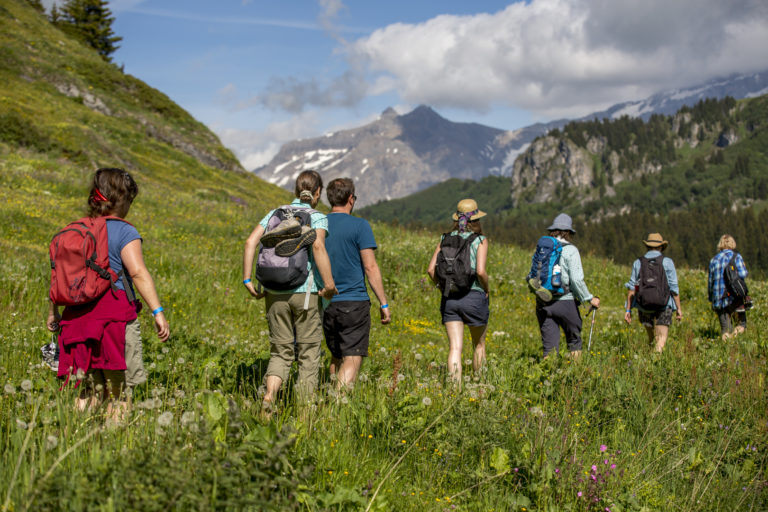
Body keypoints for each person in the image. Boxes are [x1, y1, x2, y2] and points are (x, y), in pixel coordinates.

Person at [47, 168, 170, 421]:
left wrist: (53, 313)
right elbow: (137, 273)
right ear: (123, 200)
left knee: (88, 391)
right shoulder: (125, 232)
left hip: (77, 322)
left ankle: (73, 438)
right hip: (114, 321)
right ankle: (112, 452)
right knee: (119, 393)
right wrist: (157, 311)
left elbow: (59, 275)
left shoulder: (77, 230)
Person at [243, 170, 337, 412]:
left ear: (296, 191)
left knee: (280, 352)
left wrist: (247, 279)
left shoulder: (275, 212)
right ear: (317, 193)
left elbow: (250, 242)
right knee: (308, 355)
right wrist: (328, 285)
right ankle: (305, 415)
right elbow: (317, 246)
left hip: (274, 291)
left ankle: (269, 396)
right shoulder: (316, 216)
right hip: (304, 292)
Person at [322, 178, 391, 389]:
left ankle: (329, 393)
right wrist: (384, 303)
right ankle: (335, 406)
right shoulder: (360, 226)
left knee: (335, 355)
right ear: (351, 199)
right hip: (354, 302)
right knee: (352, 357)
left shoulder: (319, 224)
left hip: (325, 302)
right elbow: (370, 267)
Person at [427, 199, 489, 385]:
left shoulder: (444, 238)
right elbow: (480, 271)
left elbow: (431, 270)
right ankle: (480, 386)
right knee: (478, 345)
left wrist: (441, 286)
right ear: (476, 219)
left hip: (450, 298)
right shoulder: (480, 240)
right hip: (474, 296)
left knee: (455, 347)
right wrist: (487, 289)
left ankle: (454, 389)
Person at [532, 213, 600, 359]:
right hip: (565, 301)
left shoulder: (543, 248)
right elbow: (576, 280)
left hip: (543, 302)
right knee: (574, 341)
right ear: (568, 232)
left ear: (553, 230)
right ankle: (576, 378)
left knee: (549, 348)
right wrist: (589, 298)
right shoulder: (571, 250)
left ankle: (547, 378)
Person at [624, 233, 682, 352]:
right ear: (661, 247)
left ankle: (649, 360)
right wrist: (679, 309)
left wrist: (628, 309)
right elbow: (674, 288)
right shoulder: (667, 262)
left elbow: (631, 288)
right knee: (661, 339)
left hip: (644, 305)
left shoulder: (638, 262)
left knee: (651, 338)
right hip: (664, 305)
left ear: (647, 246)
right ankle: (655, 364)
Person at [707, 234, 750, 340]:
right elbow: (744, 273)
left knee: (725, 329)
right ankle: (734, 338)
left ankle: (727, 348)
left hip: (719, 299)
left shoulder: (713, 260)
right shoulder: (736, 257)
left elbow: (710, 283)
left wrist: (712, 299)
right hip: (735, 297)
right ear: (732, 243)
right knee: (742, 324)